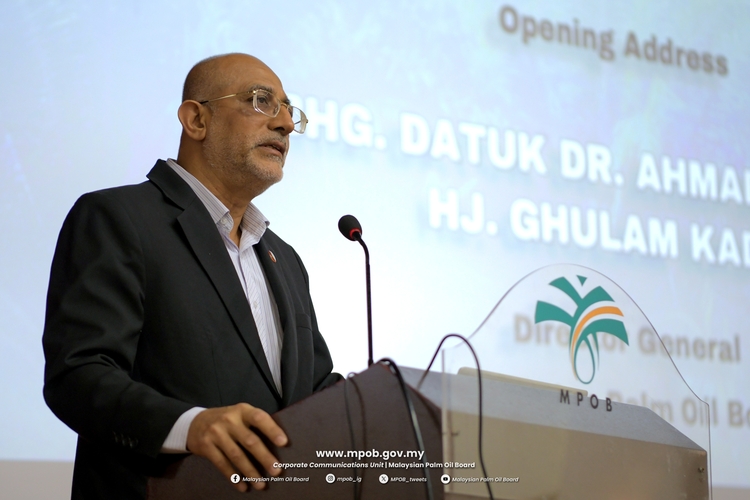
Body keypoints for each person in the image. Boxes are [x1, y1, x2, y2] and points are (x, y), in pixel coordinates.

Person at [42, 53, 341, 499]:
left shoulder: (285, 259)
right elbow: (78, 376)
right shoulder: (119, 219)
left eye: (288, 110)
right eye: (260, 100)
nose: (283, 123)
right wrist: (189, 426)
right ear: (196, 120)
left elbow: (314, 393)